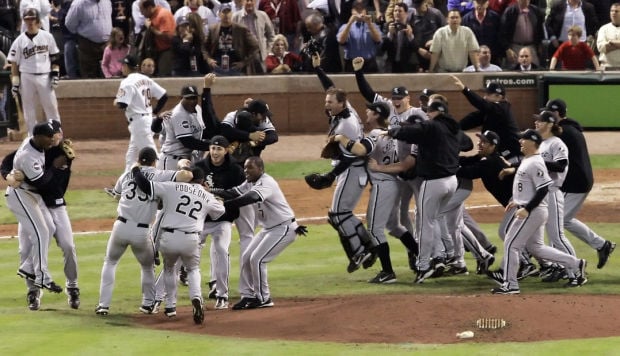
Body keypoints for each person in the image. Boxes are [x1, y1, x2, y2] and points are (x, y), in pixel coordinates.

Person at [95, 147, 192, 316]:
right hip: (141, 231)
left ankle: (103, 305)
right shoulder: (159, 175)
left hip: (121, 226)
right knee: (147, 267)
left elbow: (117, 195)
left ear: (139, 160)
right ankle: (147, 303)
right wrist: (183, 164)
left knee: (110, 262)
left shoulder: (126, 175)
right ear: (155, 161)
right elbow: (185, 177)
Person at [489, 129, 587, 294]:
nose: (520, 141)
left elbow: (543, 189)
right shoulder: (529, 161)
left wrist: (526, 208)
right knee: (537, 248)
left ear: (532, 142)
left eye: (523, 139)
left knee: (511, 244)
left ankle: (510, 285)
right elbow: (529, 187)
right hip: (532, 209)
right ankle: (576, 264)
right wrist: (517, 201)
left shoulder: (535, 162)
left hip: (532, 211)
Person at [132, 163, 224, 324]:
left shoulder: (172, 187)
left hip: (169, 238)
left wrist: (135, 171)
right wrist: (215, 198)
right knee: (193, 269)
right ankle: (196, 298)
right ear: (203, 181)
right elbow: (220, 211)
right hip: (191, 239)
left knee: (169, 269)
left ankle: (170, 307)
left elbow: (146, 186)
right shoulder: (206, 195)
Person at [2, 120, 81, 309]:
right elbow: (6, 162)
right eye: (53, 134)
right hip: (30, 201)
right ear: (44, 136)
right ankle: (33, 291)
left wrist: (59, 164)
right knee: (25, 248)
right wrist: (9, 176)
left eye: (58, 134)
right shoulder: (34, 147)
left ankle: (73, 287)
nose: (56, 137)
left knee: (68, 246)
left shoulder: (64, 153)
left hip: (54, 204)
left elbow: (55, 185)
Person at [211, 156, 307, 310]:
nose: (246, 171)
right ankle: (248, 295)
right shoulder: (250, 182)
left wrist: (225, 205)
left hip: (284, 228)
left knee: (258, 259)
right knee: (247, 257)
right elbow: (232, 192)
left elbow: (251, 197)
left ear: (261, 169)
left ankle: (264, 298)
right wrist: (211, 192)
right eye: (245, 167)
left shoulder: (266, 182)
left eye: (250, 168)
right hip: (269, 228)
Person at [312, 53, 377, 273]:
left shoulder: (346, 125)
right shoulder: (342, 108)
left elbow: (350, 156)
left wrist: (330, 176)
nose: (326, 104)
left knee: (338, 215)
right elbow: (331, 88)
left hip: (352, 169)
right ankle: (367, 244)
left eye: (330, 103)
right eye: (326, 102)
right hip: (349, 171)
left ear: (341, 103)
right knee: (340, 214)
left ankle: (361, 251)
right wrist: (318, 69)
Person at [330, 102, 404, 284]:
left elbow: (361, 149)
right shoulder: (392, 131)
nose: (366, 112)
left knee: (375, 229)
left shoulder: (376, 134)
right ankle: (417, 259)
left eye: (370, 110)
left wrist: (341, 138)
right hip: (393, 183)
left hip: (383, 183)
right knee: (390, 226)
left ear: (377, 114)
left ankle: (388, 272)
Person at [387, 100, 460, 283]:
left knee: (425, 223)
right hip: (452, 181)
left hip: (434, 182)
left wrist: (393, 131)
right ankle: (445, 254)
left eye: (429, 111)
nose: (427, 114)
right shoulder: (452, 127)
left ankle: (423, 266)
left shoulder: (433, 126)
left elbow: (415, 131)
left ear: (436, 112)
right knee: (435, 219)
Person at [542, 99, 616, 269]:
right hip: (580, 180)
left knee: (555, 224)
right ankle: (602, 245)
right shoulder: (569, 128)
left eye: (548, 114)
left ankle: (560, 265)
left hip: (575, 183)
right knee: (564, 220)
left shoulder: (564, 132)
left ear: (556, 114)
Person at [194, 135, 245, 309]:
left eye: (219, 149)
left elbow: (239, 193)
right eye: (213, 148)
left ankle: (222, 294)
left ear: (226, 150)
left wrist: (215, 194)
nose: (215, 152)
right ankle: (191, 295)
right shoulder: (199, 167)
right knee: (189, 254)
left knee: (222, 250)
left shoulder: (235, 170)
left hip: (223, 220)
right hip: (201, 220)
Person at [8, 8, 61, 135]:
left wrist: (55, 74)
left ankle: (56, 134)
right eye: (27, 19)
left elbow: (55, 57)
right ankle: (32, 136)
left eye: (32, 18)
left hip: (45, 76)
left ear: (37, 20)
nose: (30, 21)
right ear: (24, 21)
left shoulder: (47, 36)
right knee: (28, 109)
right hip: (27, 76)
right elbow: (14, 62)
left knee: (51, 107)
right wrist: (15, 82)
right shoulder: (19, 40)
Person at [115, 54, 168, 172]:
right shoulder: (146, 79)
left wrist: (116, 102)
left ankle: (166, 180)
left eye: (123, 64)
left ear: (127, 66)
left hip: (139, 123)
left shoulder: (127, 82)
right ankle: (123, 186)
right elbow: (164, 96)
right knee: (131, 157)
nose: (122, 67)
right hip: (148, 120)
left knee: (152, 154)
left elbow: (122, 104)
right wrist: (154, 112)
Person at [451, 76, 522, 164]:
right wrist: (451, 128)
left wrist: (465, 90)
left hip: (513, 157)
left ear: (499, 96)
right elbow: (469, 120)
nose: (484, 97)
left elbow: (482, 104)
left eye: (488, 94)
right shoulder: (489, 110)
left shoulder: (503, 108)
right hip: (499, 156)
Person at [152, 84, 210, 169]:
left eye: (194, 98)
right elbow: (188, 142)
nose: (192, 101)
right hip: (172, 161)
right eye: (188, 98)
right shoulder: (178, 114)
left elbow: (203, 132)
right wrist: (212, 146)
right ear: (181, 98)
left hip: (187, 160)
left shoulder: (198, 108)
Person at [205, 3, 262, 75]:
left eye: (228, 12)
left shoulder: (241, 29)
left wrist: (244, 62)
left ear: (232, 14)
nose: (226, 15)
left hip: (236, 68)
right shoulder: (213, 29)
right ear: (219, 14)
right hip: (217, 68)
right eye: (224, 12)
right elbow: (204, 47)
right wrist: (208, 59)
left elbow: (255, 46)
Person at [65, 0, 113, 78]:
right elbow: (69, 24)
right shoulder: (79, 4)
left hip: (107, 45)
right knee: (89, 78)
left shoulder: (107, 1)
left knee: (108, 75)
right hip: (87, 46)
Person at [336, 0, 382, 73]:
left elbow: (378, 39)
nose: (359, 12)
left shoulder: (373, 26)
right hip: (351, 64)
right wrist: (350, 23)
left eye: (361, 10)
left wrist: (369, 24)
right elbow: (341, 41)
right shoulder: (344, 26)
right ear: (352, 11)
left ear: (365, 11)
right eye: (357, 10)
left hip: (369, 64)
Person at [499, 0, 545, 68]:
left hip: (531, 47)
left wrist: (540, 44)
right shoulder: (510, 11)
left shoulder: (535, 11)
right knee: (514, 70)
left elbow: (540, 29)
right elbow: (502, 32)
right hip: (515, 47)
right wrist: (507, 49)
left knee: (535, 70)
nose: (525, 1)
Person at [232, 0, 275, 68]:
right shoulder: (236, 17)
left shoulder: (263, 15)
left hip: (260, 55)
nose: (249, 3)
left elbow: (271, 35)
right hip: (242, 56)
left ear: (255, 2)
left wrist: (267, 51)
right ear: (242, 2)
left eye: (251, 0)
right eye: (247, 0)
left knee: (261, 77)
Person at [139, 0, 176, 77]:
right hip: (156, 52)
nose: (141, 13)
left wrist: (151, 28)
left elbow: (168, 37)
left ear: (149, 8)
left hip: (166, 51)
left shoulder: (163, 14)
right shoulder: (152, 16)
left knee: (164, 77)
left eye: (142, 10)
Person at [462, 0, 503, 66]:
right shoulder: (466, 19)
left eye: (483, 3)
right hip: (472, 59)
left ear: (487, 3)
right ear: (474, 3)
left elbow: (499, 37)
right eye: (478, 2)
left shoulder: (495, 17)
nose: (480, 5)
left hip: (492, 58)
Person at [383, 2, 420, 73]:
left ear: (406, 13)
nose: (397, 13)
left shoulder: (413, 28)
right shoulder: (387, 26)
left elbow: (416, 48)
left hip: (408, 66)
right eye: (395, 11)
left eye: (400, 11)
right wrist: (390, 34)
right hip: (391, 66)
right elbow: (382, 48)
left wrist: (410, 36)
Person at [410, 0, 447, 72]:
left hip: (435, 51)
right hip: (419, 52)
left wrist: (435, 41)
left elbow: (445, 32)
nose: (418, 9)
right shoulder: (411, 16)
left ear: (425, 3)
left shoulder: (436, 14)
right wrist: (418, 49)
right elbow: (410, 37)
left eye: (420, 5)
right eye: (416, 6)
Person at [597, 3, 620, 70]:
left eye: (616, 11)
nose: (613, 13)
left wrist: (612, 42)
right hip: (606, 66)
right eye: (611, 11)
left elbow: (606, 46)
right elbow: (601, 48)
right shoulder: (603, 28)